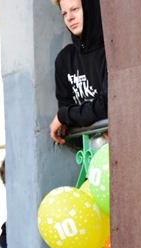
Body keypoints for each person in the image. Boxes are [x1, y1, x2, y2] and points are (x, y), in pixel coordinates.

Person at [49, 0, 107, 145]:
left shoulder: (110, 52)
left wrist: (65, 115)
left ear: (89, 8)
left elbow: (107, 106)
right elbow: (66, 121)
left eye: (74, 9)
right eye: (64, 13)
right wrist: (69, 116)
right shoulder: (64, 60)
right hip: (88, 159)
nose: (69, 18)